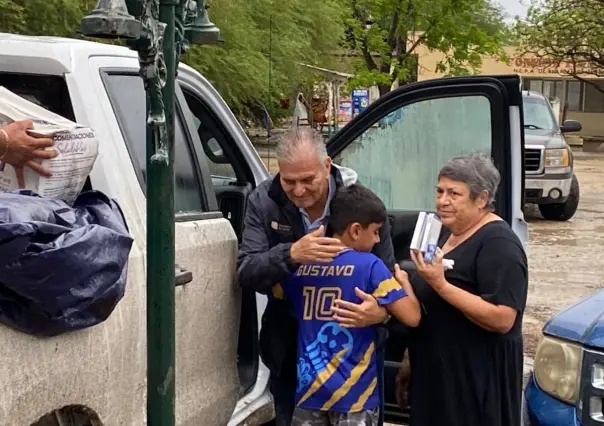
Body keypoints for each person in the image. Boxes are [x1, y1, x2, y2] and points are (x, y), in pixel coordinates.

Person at [236, 127, 395, 426]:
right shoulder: (264, 200)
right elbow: (247, 271)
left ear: (327, 165)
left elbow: (386, 271)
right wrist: (291, 254)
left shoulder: (360, 203)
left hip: (357, 356)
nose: (298, 191)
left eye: (308, 180)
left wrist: (381, 313)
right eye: (289, 181)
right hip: (292, 349)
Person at [406, 153, 528, 426]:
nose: (442, 201)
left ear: (481, 199)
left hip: (475, 382)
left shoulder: (499, 244)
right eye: (439, 191)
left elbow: (502, 318)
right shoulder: (447, 231)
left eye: (454, 194)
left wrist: (440, 284)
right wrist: (408, 360)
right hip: (438, 377)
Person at [283, 184, 420, 426]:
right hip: (356, 396)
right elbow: (412, 316)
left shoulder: (304, 265)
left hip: (309, 393)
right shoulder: (370, 266)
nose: (378, 239)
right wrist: (404, 282)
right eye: (376, 231)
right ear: (356, 231)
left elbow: (279, 293)